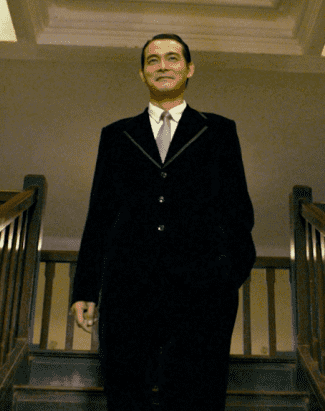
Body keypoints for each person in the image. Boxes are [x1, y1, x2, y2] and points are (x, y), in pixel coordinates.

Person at [69, 33, 256, 411]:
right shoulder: (116, 135)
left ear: (189, 69)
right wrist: (85, 288)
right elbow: (100, 215)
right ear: (142, 74)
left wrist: (227, 274)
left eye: (172, 58)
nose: (162, 66)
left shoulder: (219, 131)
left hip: (202, 290)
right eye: (152, 60)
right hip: (128, 288)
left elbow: (238, 209)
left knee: (197, 396)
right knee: (126, 392)